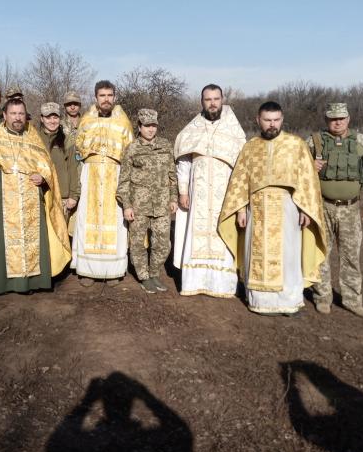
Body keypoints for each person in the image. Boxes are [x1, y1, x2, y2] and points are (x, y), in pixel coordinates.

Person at [219, 101, 327, 316]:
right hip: (257, 207)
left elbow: (307, 179)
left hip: (287, 206)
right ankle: (260, 301)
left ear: (282, 119)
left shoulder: (296, 145)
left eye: (276, 120)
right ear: (258, 120)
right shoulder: (250, 147)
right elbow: (240, 179)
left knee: (289, 255)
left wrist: (306, 209)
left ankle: (288, 302)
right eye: (267, 120)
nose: (272, 124)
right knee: (255, 253)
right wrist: (240, 209)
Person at [0, 98, 72, 294]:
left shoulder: (33, 137)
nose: (17, 118)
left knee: (34, 240)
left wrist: (43, 177)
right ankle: (1, 284)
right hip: (3, 196)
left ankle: (32, 282)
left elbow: (47, 166)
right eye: (13, 114)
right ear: (5, 115)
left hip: (31, 198)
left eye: (21, 114)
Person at [307, 102, 363, 318]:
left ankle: (352, 300)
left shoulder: (360, 141)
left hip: (351, 209)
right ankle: (322, 297)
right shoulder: (314, 141)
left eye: (341, 118)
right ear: (326, 120)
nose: (337, 122)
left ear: (348, 119)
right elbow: (295, 169)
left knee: (351, 256)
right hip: (322, 207)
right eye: (333, 119)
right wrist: (309, 166)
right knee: (321, 254)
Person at [173, 83, 246, 297]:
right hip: (198, 193)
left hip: (225, 193)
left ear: (222, 100)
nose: (212, 103)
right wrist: (183, 191)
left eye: (216, 99)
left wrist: (239, 200)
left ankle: (222, 285)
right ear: (202, 102)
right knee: (195, 233)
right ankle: (193, 283)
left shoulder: (233, 129)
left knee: (222, 233)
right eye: (208, 99)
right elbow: (184, 162)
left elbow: (242, 167)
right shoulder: (192, 129)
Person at [71, 80, 134, 285]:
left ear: (114, 97)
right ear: (96, 97)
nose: (106, 99)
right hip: (91, 174)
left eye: (109, 95)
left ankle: (112, 271)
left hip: (114, 175)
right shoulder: (86, 120)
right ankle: (87, 270)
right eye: (102, 95)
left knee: (114, 221)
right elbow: (78, 148)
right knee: (87, 219)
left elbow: (130, 152)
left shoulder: (123, 122)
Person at [116, 109, 177, 293]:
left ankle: (154, 273)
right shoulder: (132, 149)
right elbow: (124, 181)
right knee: (137, 244)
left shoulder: (165, 145)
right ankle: (144, 277)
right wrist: (127, 205)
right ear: (139, 126)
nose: (151, 129)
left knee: (163, 244)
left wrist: (173, 198)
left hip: (162, 204)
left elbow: (172, 176)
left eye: (153, 126)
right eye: (147, 126)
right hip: (139, 206)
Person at [37, 102, 80, 218]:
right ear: (42, 119)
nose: (52, 121)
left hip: (62, 198)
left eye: (55, 117)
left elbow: (73, 169)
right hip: (40, 196)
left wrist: (74, 196)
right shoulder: (35, 139)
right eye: (48, 117)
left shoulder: (67, 140)